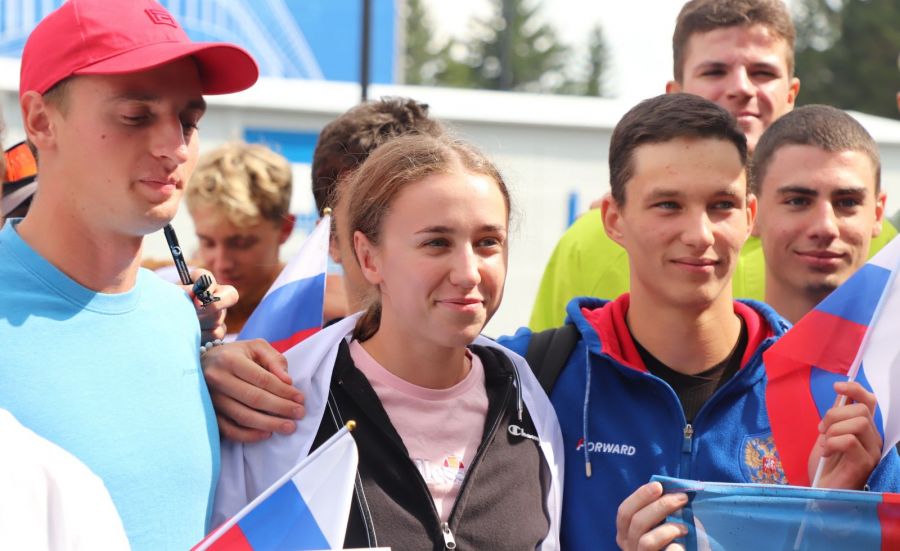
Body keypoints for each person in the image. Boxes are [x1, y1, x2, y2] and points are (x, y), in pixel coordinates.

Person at [502, 93, 900, 550]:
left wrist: (837, 520)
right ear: (614, 219)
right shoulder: (528, 378)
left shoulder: (834, 394)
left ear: (750, 217)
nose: (699, 234)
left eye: (721, 205)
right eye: (668, 205)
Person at [213, 134, 564, 549]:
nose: (469, 273)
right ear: (368, 257)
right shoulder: (284, 402)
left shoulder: (527, 400)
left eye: (488, 242)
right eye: (436, 243)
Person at [0, 0, 258, 548]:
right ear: (41, 121)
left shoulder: (179, 321)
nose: (175, 147)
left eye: (189, 120)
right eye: (136, 116)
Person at [528, 0, 897, 331]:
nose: (742, 88)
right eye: (715, 71)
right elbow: (546, 379)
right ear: (675, 94)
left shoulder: (874, 242)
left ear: (791, 95)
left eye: (762, 73)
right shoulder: (593, 241)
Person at [751, 105, 887, 323]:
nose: (826, 227)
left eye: (848, 202)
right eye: (798, 201)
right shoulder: (713, 344)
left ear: (878, 214)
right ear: (752, 213)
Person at [312, 96, 445, 317]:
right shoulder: (289, 342)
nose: (400, 243)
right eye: (372, 217)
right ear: (331, 240)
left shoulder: (499, 346)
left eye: (437, 236)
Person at [186, 142, 295, 338]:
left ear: (285, 229)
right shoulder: (167, 291)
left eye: (241, 244)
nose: (222, 264)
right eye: (208, 242)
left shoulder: (323, 309)